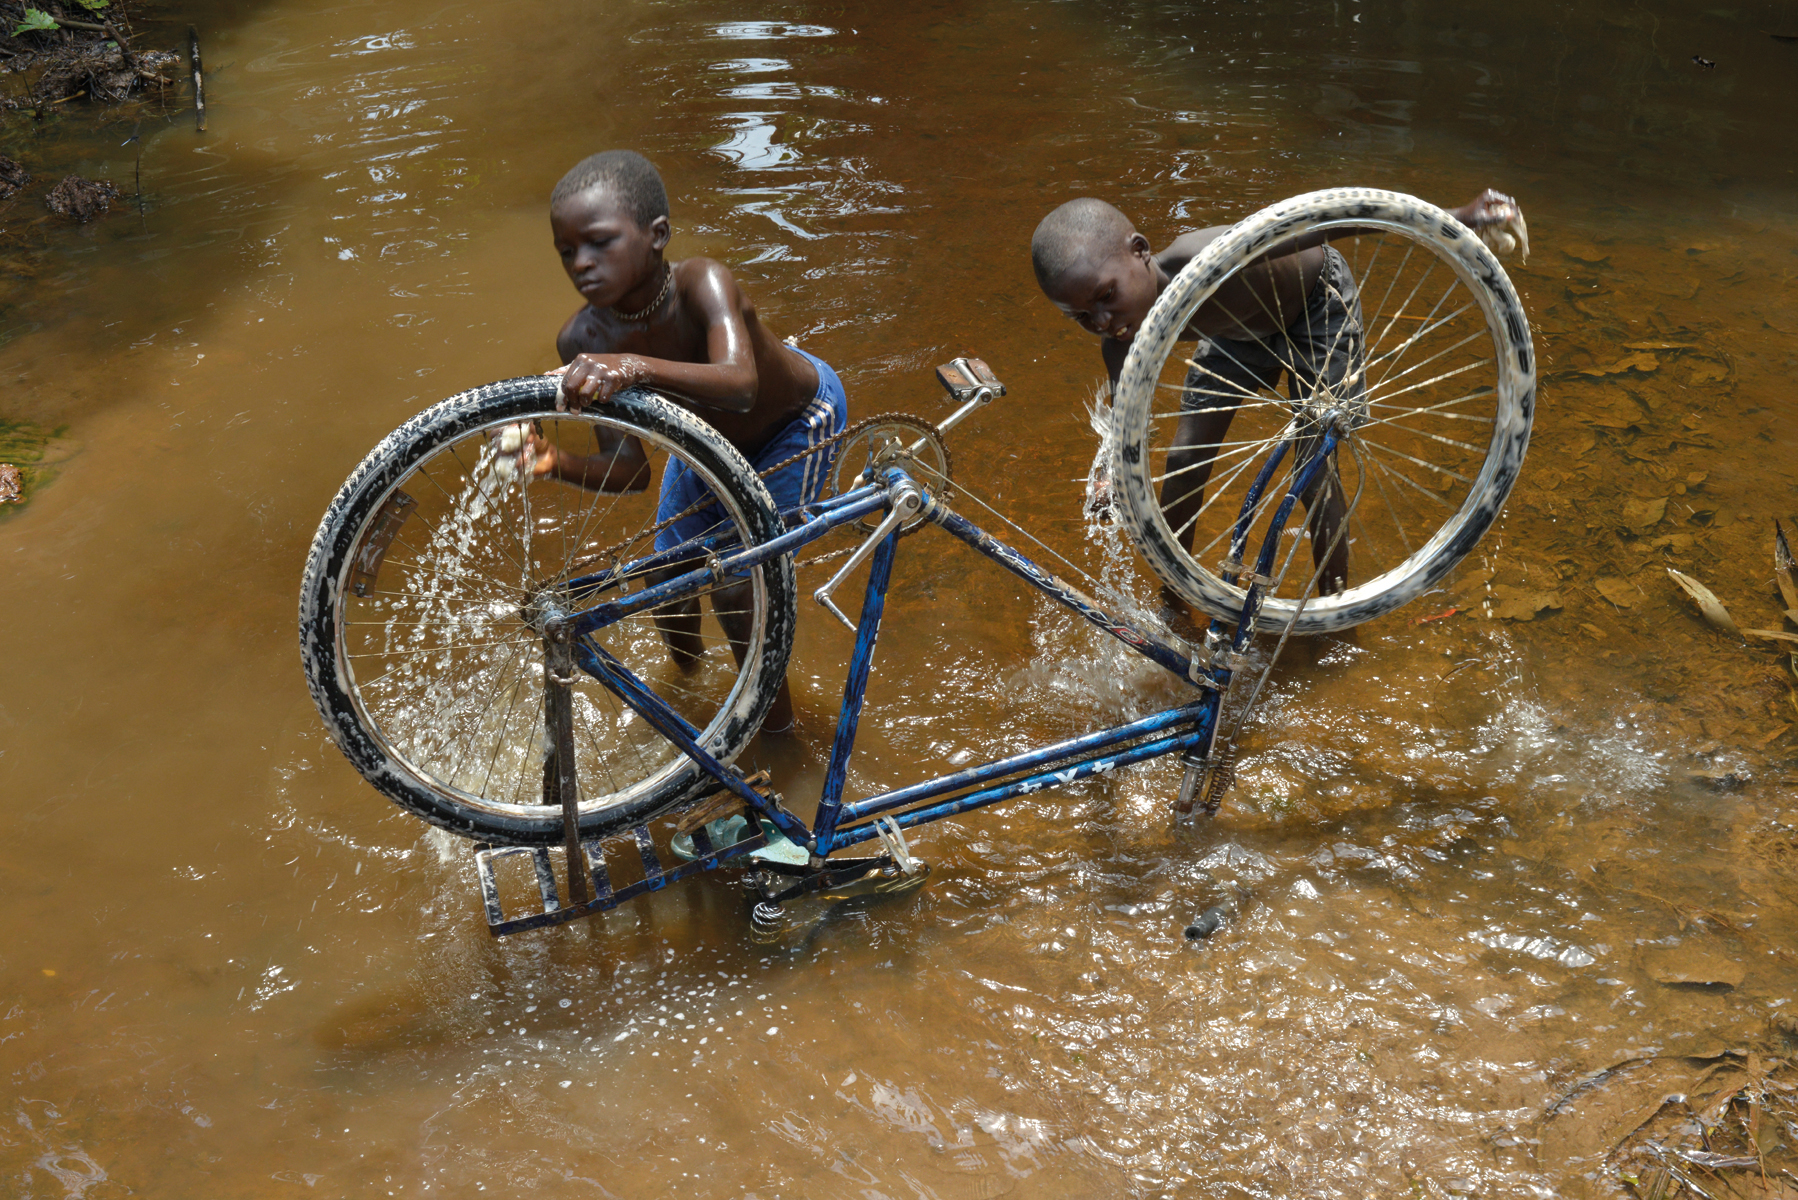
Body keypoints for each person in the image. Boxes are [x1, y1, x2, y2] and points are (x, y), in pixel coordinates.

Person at [1031, 187, 1525, 614]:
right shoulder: (1120, 343)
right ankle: (1176, 595)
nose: (1101, 320)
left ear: (1140, 252)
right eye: (1081, 317)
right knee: (1184, 458)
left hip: (1314, 304)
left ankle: (1333, 611)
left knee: (1312, 470)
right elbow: (1125, 424)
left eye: (1105, 296)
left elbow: (1330, 224)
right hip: (1237, 336)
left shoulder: (1208, 256)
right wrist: (1109, 478)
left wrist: (1454, 219)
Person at [518, 150, 847, 733]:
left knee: (739, 581)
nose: (582, 265)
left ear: (657, 236)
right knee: (667, 577)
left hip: (791, 424)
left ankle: (777, 737)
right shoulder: (583, 338)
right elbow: (631, 471)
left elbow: (742, 387)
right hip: (706, 444)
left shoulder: (701, 284)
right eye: (567, 252)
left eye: (600, 243)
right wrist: (553, 460)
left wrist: (631, 367)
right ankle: (691, 687)